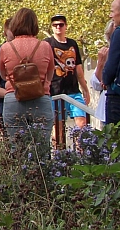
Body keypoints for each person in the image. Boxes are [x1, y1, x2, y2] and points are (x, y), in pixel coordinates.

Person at [0, 7, 54, 160]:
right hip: (40, 98)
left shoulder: (5, 48)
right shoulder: (45, 46)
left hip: (13, 97)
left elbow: (3, 74)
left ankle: (20, 182)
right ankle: (42, 180)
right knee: (42, 148)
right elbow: (50, 73)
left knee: (16, 149)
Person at [45, 13, 92, 145]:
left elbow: (78, 70)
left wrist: (85, 90)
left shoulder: (72, 43)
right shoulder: (47, 44)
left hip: (73, 91)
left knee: (82, 124)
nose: (58, 27)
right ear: (52, 27)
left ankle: (82, 154)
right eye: (55, 25)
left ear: (66, 26)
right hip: (55, 91)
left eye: (60, 25)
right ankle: (59, 157)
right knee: (58, 129)